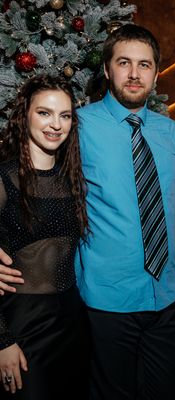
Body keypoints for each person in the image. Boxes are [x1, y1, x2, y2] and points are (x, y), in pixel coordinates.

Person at [0, 25, 175, 400]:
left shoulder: (173, 134)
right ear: (107, 69)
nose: (134, 74)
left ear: (156, 74)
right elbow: (35, 184)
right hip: (106, 303)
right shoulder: (78, 126)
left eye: (144, 65)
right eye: (124, 63)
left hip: (165, 298)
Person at [0, 75, 89, 399]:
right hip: (21, 325)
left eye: (65, 115)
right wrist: (3, 342)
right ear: (25, 115)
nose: (55, 125)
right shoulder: (4, 178)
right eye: (44, 113)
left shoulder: (72, 178)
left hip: (72, 322)